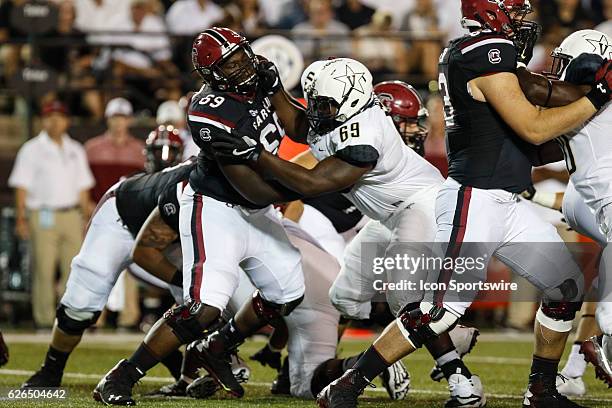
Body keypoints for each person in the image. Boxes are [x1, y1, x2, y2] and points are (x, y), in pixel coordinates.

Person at [315, 1, 612, 407]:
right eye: (514, 11)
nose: (522, 22)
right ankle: (348, 385)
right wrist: (598, 96)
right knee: (438, 312)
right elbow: (534, 126)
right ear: (492, 15)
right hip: (475, 200)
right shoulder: (484, 50)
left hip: (507, 200)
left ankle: (540, 390)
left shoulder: (475, 52)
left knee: (565, 287)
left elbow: (529, 142)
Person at [211, 58, 485, 406]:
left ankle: (460, 382)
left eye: (325, 104)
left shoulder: (365, 135)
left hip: (422, 205)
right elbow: (300, 126)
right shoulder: (341, 114)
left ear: (353, 99)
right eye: (317, 102)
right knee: (344, 297)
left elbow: (310, 182)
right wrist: (274, 87)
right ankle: (439, 328)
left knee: (404, 297)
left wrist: (256, 155)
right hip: (388, 217)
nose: (318, 110)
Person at [92, 27, 305, 405]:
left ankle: (218, 347)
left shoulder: (262, 73)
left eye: (242, 54)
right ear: (212, 74)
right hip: (216, 206)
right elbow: (250, 188)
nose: (242, 65)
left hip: (256, 208)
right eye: (231, 62)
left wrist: (310, 114)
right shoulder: (207, 112)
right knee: (203, 307)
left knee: (288, 291)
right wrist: (312, 185)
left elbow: (293, 125)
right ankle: (121, 377)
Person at [21, 126, 188, 389]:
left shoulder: (197, 182)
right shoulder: (138, 182)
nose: (164, 157)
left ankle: (188, 370)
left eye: (170, 151)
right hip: (121, 224)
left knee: (199, 301)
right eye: (158, 151)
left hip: (165, 238)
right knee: (80, 304)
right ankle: (51, 368)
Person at [522, 29, 612, 389]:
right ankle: (606, 340)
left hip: (580, 197)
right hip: (600, 194)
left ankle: (576, 368)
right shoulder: (586, 95)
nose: (556, 70)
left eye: (564, 63)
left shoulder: (574, 98)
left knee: (608, 265)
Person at [8, 100, 95, 329]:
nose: (54, 121)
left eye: (59, 116)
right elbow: (21, 187)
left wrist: (85, 217)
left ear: (67, 121)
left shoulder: (75, 149)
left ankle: (67, 319)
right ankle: (45, 320)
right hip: (43, 215)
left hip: (71, 214)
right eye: (49, 117)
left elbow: (83, 187)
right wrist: (21, 218)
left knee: (74, 270)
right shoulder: (31, 149)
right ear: (42, 121)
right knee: (43, 271)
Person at [85, 98, 145, 202]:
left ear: (130, 120)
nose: (119, 122)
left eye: (123, 118)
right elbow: (84, 182)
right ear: (107, 119)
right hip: (97, 209)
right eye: (115, 117)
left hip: (130, 210)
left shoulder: (140, 150)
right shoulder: (91, 148)